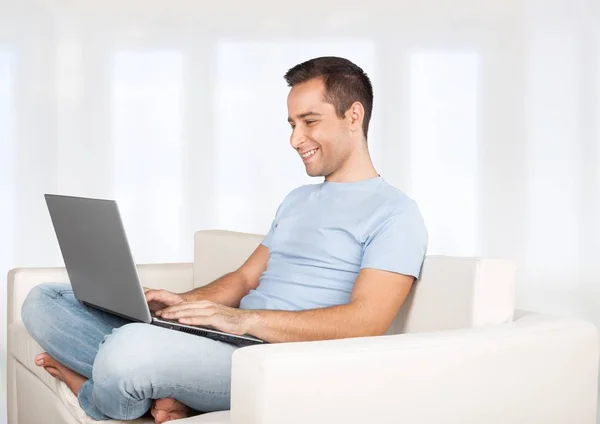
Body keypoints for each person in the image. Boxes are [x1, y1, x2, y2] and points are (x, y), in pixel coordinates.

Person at [21, 56, 428, 423]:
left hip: (273, 361)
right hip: (227, 339)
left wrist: (244, 319)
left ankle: (97, 396)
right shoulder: (298, 200)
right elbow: (245, 279)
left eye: (309, 121)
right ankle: (160, 384)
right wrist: (185, 305)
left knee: (129, 352)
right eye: (291, 124)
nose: (295, 139)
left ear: (353, 115)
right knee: (44, 301)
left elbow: (366, 321)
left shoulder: (396, 213)